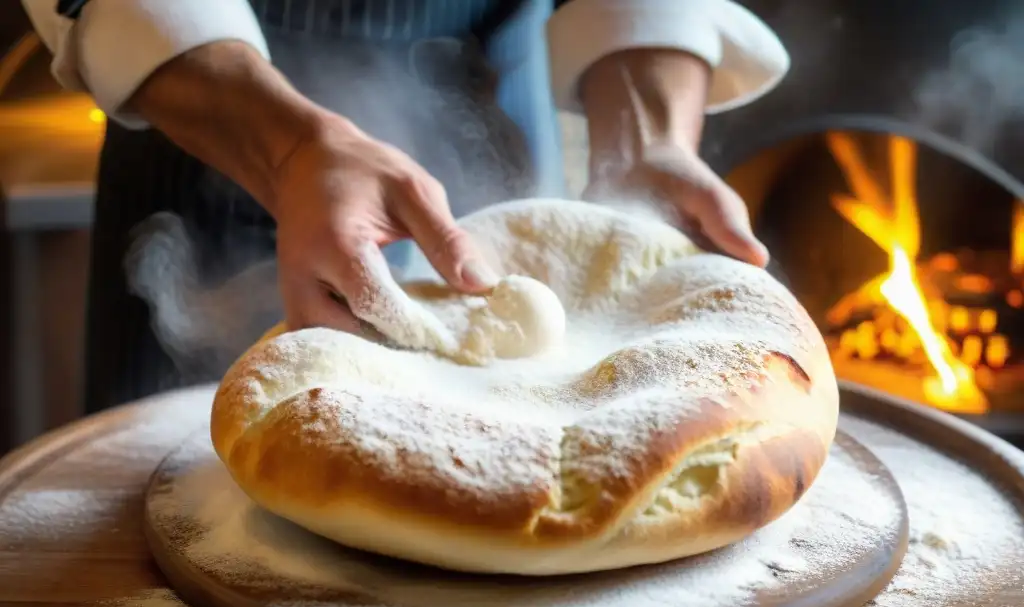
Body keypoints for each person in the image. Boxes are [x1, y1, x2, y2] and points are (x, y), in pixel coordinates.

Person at [22, 0, 789, 414]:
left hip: (490, 85)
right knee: (183, 518)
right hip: (213, 114)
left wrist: (642, 144)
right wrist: (288, 151)